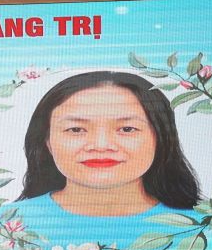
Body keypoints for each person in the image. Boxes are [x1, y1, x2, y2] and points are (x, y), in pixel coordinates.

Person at [18, 70, 200, 216]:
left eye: (127, 129)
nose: (101, 145)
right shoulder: (0, 225)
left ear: (160, 138)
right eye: (76, 129)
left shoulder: (207, 227)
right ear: (47, 142)